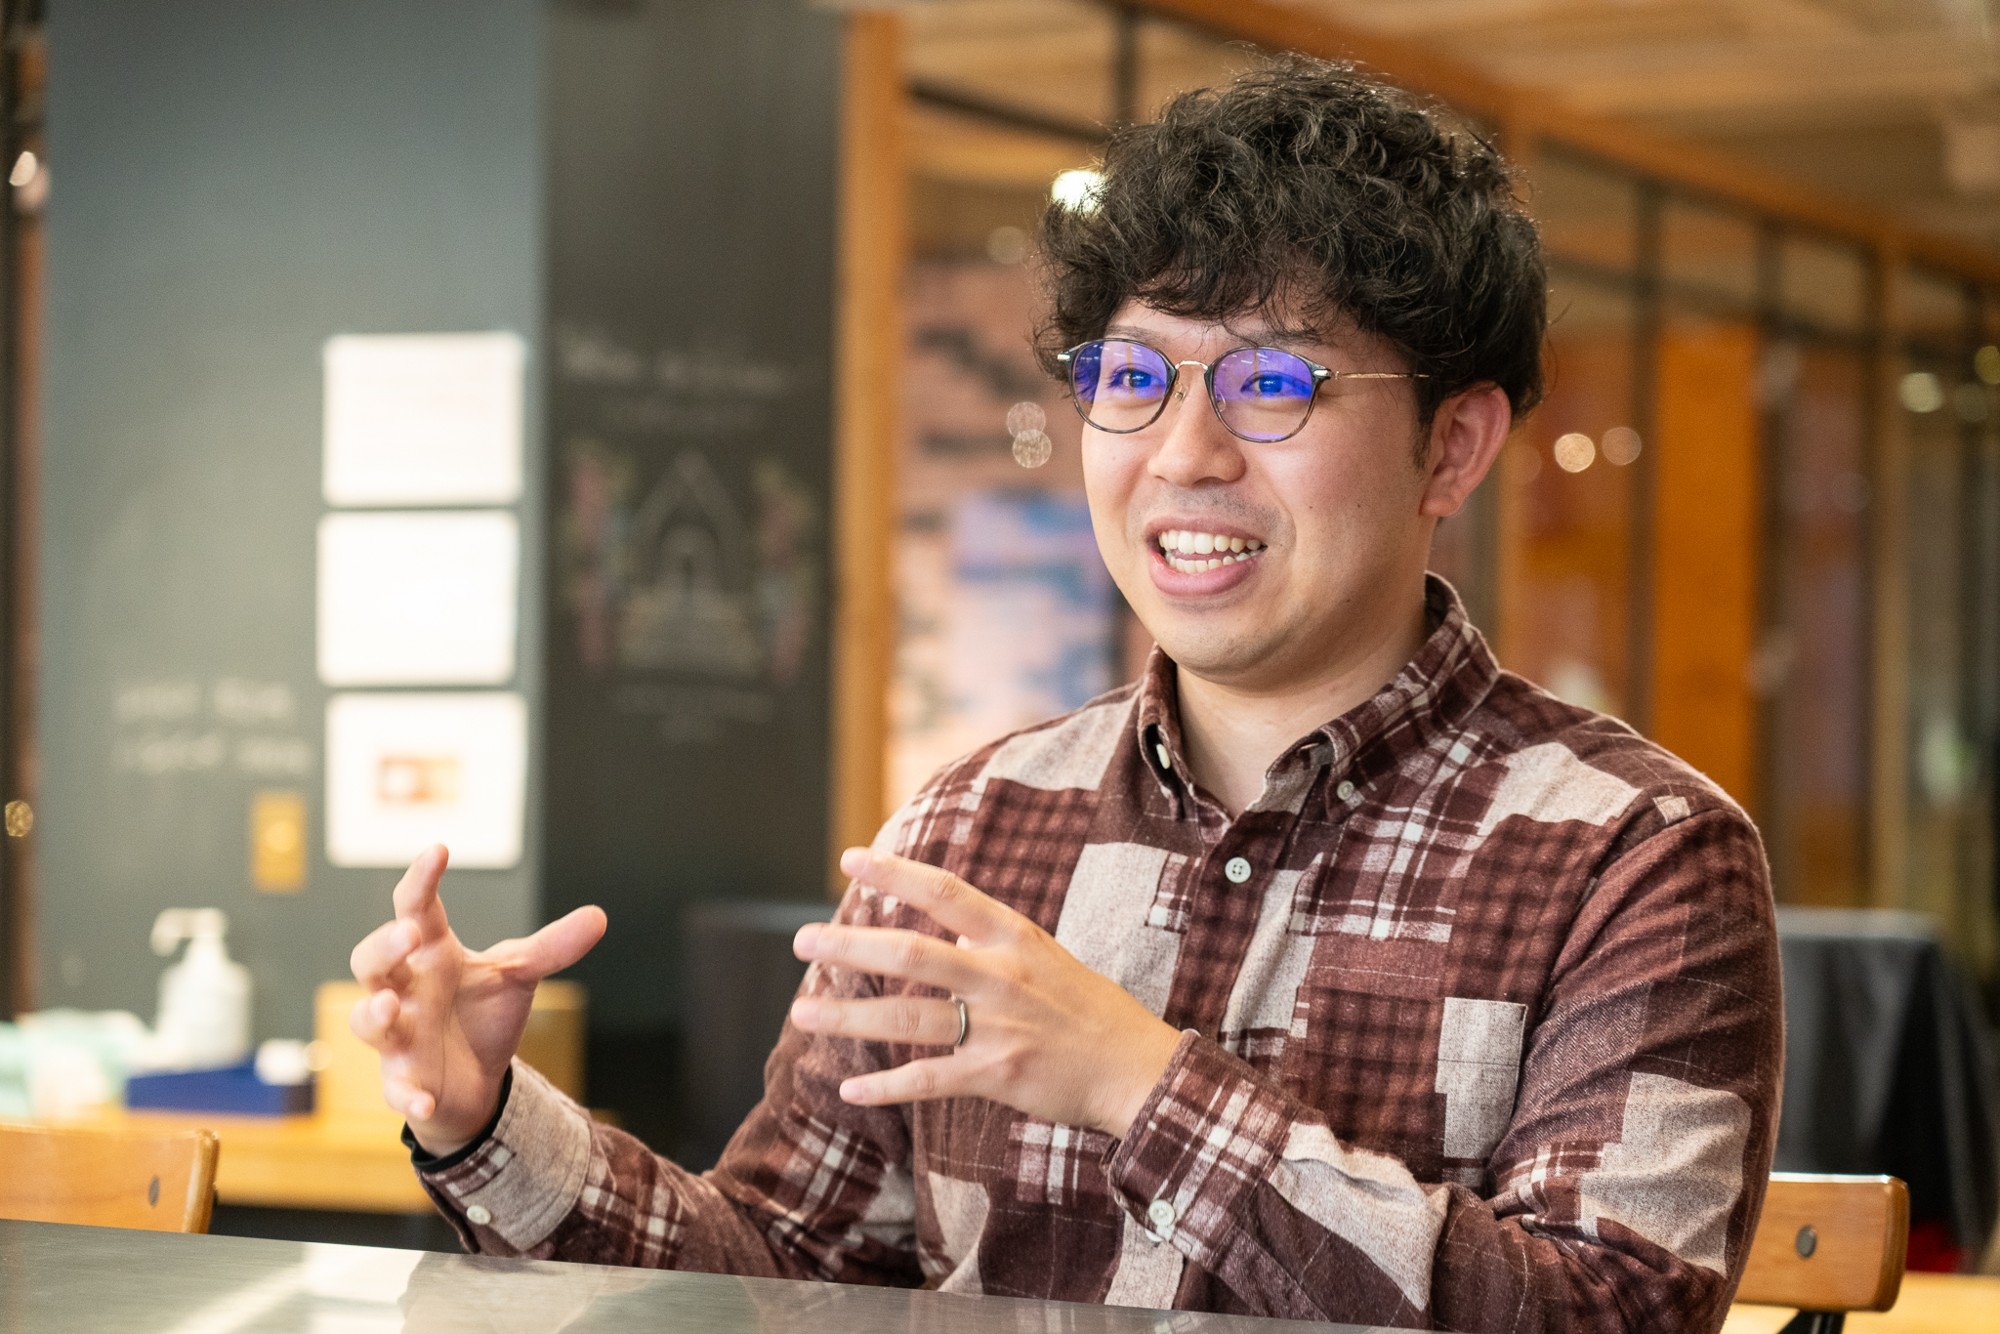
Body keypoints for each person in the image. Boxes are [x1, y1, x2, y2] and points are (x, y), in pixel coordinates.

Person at [348, 56, 1780, 1331]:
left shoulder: (1635, 854)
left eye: (1272, 384)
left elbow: (1610, 1314)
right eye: (1134, 377)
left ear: (1452, 447)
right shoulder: (973, 825)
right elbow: (773, 1279)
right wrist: (486, 1118)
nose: (1184, 453)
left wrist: (1138, 1082)